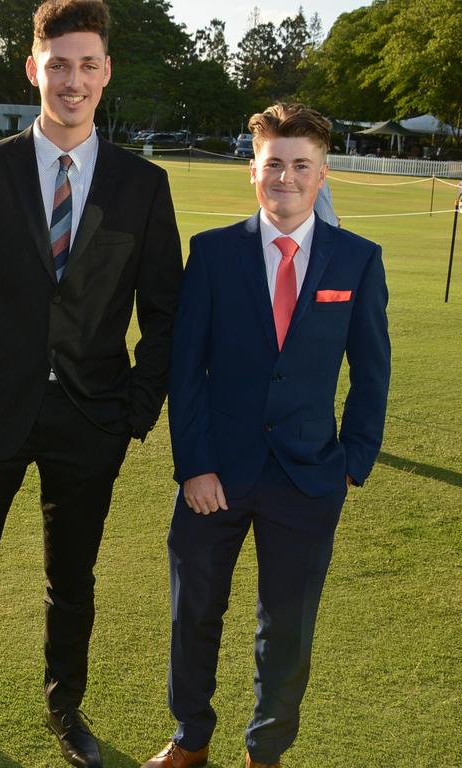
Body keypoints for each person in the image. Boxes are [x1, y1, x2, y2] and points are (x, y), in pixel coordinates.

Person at [0, 2, 183, 767]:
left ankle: (66, 711)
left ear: (106, 72)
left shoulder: (143, 185)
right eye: (58, 64)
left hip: (91, 419)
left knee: (73, 580)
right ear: (33, 69)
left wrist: (133, 412)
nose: (73, 79)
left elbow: (165, 314)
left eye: (88, 64)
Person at [142, 103, 390, 768]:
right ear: (252, 170)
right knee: (192, 616)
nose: (286, 176)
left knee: (287, 631)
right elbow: (186, 368)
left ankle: (266, 752)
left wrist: (352, 464)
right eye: (273, 163)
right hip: (214, 477)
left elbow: (372, 374)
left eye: (300, 165)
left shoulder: (358, 261)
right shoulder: (214, 253)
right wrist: (194, 465)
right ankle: (190, 740)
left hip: (308, 479)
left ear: (322, 173)